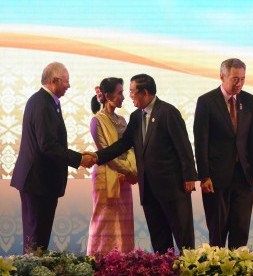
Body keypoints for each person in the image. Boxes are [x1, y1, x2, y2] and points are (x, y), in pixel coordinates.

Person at [93, 74, 197, 253]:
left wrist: (189, 177)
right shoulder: (135, 117)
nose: (129, 96)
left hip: (172, 188)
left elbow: (184, 147)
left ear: (145, 92)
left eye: (133, 92)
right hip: (149, 190)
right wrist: (96, 157)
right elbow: (123, 144)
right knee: (159, 241)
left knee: (184, 239)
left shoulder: (167, 112)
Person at [10, 62, 95, 253]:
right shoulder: (42, 103)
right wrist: (79, 159)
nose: (69, 86)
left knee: (39, 239)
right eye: (66, 81)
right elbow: (47, 145)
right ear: (54, 80)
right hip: (37, 182)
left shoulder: (46, 102)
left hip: (42, 183)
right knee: (34, 240)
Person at [193, 58, 253, 248]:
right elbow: (201, 143)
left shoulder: (248, 100)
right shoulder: (206, 101)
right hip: (216, 177)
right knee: (218, 229)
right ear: (222, 76)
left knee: (241, 228)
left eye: (242, 79)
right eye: (235, 79)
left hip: (244, 175)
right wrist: (204, 176)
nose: (239, 84)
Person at [87, 78, 138, 255]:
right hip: (105, 177)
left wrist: (132, 167)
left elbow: (130, 146)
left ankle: (123, 263)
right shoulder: (97, 120)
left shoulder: (123, 120)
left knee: (123, 222)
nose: (123, 97)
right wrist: (127, 169)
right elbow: (106, 153)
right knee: (104, 221)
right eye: (120, 93)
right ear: (108, 96)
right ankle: (100, 261)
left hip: (124, 177)